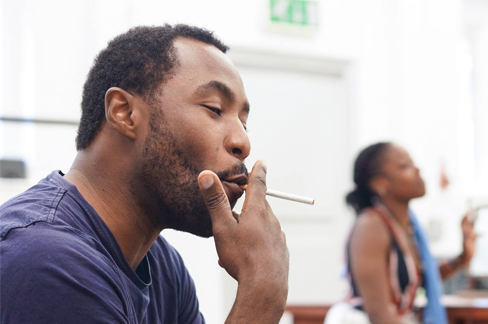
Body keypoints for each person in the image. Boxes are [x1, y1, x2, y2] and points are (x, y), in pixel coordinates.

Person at [0, 24, 288, 324]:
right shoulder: (43, 261)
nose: (243, 142)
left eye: (244, 123)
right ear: (124, 112)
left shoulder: (163, 267)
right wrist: (261, 295)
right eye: (215, 109)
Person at [343, 142, 476, 324]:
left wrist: (462, 258)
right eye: (404, 166)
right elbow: (378, 313)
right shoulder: (371, 225)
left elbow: (421, 278)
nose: (417, 170)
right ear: (379, 183)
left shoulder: (406, 226)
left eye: (412, 163)